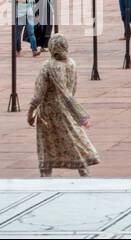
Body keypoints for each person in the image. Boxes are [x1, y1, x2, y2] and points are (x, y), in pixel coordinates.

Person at [26, 34, 99, 177]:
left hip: (48, 112)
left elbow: (38, 95)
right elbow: (73, 89)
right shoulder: (71, 63)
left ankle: (45, 175)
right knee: (73, 138)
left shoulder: (48, 66)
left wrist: (30, 113)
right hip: (66, 108)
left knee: (47, 145)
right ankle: (84, 171)